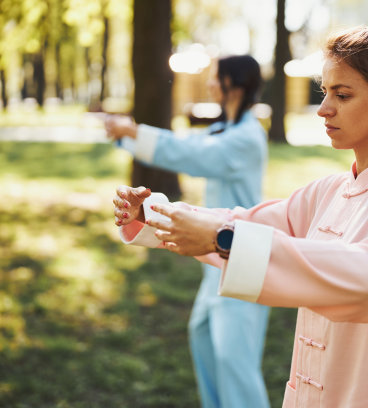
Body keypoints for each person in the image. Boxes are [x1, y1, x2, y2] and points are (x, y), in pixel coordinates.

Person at [114, 26, 368, 407]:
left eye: (342, 95)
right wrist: (156, 213)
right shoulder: (328, 190)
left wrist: (223, 240)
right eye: (325, 93)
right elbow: (247, 221)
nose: (324, 108)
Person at [107, 55, 271, 408]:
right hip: (216, 259)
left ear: (236, 86)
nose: (210, 84)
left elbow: (189, 154)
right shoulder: (223, 129)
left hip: (243, 258)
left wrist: (133, 131)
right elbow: (187, 145)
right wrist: (127, 138)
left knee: (235, 364)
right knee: (204, 342)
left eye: (217, 78)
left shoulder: (246, 137)